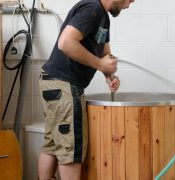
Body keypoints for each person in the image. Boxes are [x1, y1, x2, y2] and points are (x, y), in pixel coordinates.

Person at [37, 0, 135, 179]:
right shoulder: (93, 9)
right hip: (64, 84)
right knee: (71, 148)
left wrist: (109, 75)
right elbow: (65, 42)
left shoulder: (103, 17)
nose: (129, 5)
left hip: (54, 82)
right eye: (130, 0)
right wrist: (99, 64)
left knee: (53, 143)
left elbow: (105, 54)